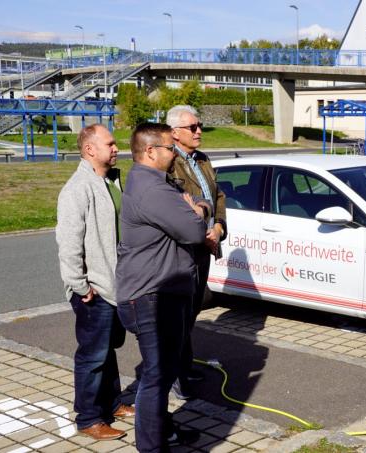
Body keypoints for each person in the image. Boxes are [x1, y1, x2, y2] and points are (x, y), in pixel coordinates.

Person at [116, 122, 210, 452]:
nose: (175, 154)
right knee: (157, 376)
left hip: (161, 292)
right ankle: (152, 446)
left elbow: (197, 206)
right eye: (171, 148)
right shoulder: (152, 189)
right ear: (151, 151)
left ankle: (163, 431)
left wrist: (195, 206)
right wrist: (195, 210)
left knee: (163, 372)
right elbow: (194, 230)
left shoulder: (157, 183)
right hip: (152, 297)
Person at [55, 124, 136, 440]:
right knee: (92, 355)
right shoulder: (78, 189)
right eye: (110, 143)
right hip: (94, 289)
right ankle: (89, 418)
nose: (116, 148)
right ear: (90, 149)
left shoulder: (110, 182)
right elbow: (69, 241)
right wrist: (79, 285)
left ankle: (112, 404)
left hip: (114, 285)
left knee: (108, 350)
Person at [165, 105, 228, 399]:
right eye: (193, 127)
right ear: (175, 132)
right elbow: (177, 205)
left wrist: (218, 226)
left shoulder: (202, 160)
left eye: (199, 125)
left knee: (191, 312)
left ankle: (185, 366)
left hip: (206, 247)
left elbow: (217, 196)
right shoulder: (169, 162)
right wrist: (201, 233)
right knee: (178, 316)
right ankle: (175, 376)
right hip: (185, 249)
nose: (199, 131)